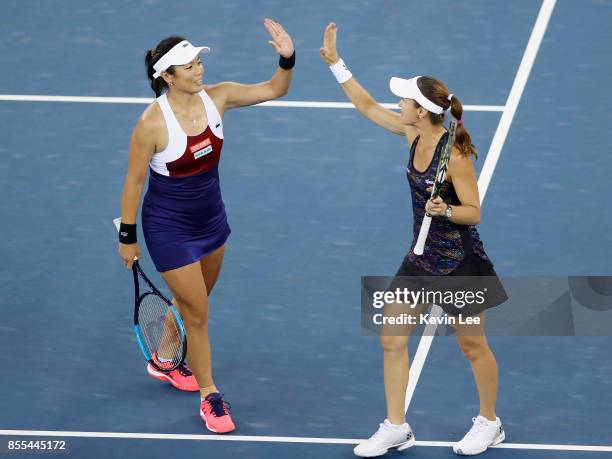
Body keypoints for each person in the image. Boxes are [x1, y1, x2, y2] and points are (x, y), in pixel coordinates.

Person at [320, 23, 507, 456]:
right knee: (391, 338)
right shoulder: (412, 133)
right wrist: (336, 64)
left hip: (459, 263)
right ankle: (396, 427)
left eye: (404, 99)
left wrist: (446, 210)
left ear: (421, 110)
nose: (398, 103)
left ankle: (490, 422)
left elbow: (474, 212)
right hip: (420, 260)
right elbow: (366, 106)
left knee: (472, 345)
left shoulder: (454, 155)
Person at [118, 18, 295, 434]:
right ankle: (210, 397)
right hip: (168, 229)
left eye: (198, 61)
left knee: (193, 301)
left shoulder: (220, 97)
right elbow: (134, 181)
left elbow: (275, 88)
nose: (199, 69)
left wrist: (287, 58)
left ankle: (164, 359)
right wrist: (127, 236)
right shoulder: (151, 124)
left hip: (212, 220)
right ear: (167, 76)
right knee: (199, 315)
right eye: (189, 65)